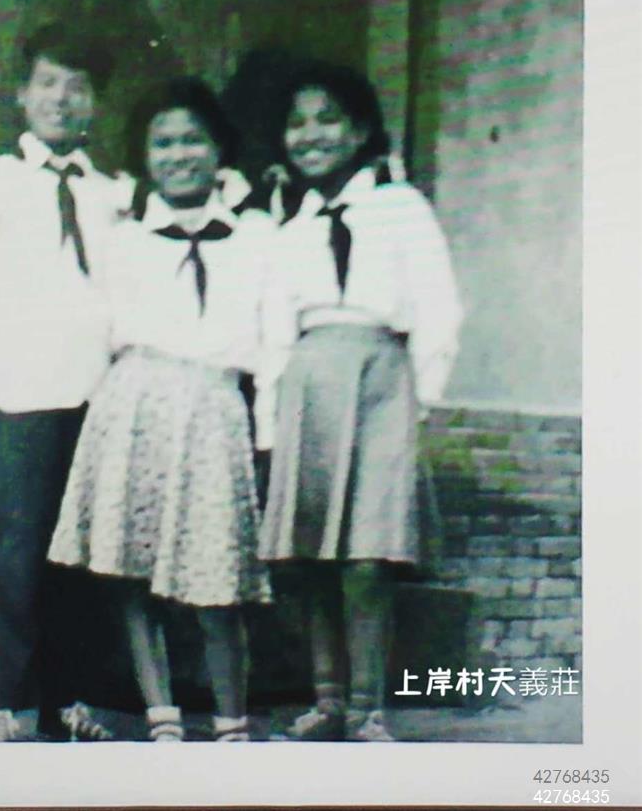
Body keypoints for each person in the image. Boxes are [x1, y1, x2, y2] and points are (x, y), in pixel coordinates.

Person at [48, 78, 278, 743]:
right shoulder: (123, 237)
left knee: (218, 579)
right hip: (133, 406)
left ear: (219, 148)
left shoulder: (257, 235)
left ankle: (231, 719)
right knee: (131, 571)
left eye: (193, 139)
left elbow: (273, 342)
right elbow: (96, 329)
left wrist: (267, 433)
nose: (179, 155)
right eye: (164, 143)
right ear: (145, 156)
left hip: (212, 410)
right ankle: (161, 714)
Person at [257, 61, 463, 741]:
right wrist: (269, 425)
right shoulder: (290, 225)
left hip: (382, 383)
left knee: (368, 557)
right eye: (296, 122)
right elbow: (273, 332)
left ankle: (370, 707)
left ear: (360, 129)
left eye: (328, 119)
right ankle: (328, 700)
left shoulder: (401, 206)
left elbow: (439, 307)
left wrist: (421, 400)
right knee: (313, 555)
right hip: (309, 384)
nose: (311, 134)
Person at [0, 22, 131, 742]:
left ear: (96, 104)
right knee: (16, 550)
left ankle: (70, 700)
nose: (62, 99)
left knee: (82, 555)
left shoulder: (115, 195)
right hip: (16, 390)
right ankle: (9, 700)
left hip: (97, 393)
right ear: (22, 95)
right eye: (47, 83)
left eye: (79, 87)